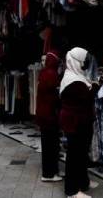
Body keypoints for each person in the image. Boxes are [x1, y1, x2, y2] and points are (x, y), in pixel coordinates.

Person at [59, 47, 103, 198]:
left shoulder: (76, 77)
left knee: (81, 153)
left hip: (80, 122)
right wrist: (99, 83)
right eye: (83, 61)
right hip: (75, 123)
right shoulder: (73, 81)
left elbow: (84, 93)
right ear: (76, 62)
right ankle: (72, 190)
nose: (85, 64)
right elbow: (87, 97)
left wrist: (94, 84)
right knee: (74, 156)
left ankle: (83, 182)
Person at [36, 48, 62, 182]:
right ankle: (49, 174)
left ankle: (49, 172)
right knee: (51, 145)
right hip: (50, 115)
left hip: (43, 115)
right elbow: (54, 97)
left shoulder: (44, 73)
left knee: (47, 145)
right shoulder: (52, 74)